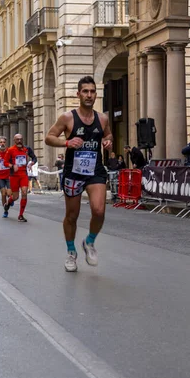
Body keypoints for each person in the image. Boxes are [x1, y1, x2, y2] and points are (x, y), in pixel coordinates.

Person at [45, 75, 113, 272]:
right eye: (85, 91)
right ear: (78, 94)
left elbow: (108, 134)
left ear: (96, 94)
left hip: (95, 171)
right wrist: (67, 142)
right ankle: (71, 252)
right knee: (72, 215)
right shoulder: (67, 118)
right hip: (73, 172)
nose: (89, 95)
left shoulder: (102, 118)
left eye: (92, 91)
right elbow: (49, 137)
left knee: (99, 210)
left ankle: (89, 242)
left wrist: (108, 142)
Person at [3, 133, 37, 222]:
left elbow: (34, 158)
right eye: (17, 139)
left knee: (24, 192)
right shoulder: (10, 150)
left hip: (23, 175)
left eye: (20, 139)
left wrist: (31, 163)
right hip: (14, 176)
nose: (19, 141)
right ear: (14, 140)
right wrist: (12, 165)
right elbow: (5, 162)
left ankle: (21, 215)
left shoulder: (27, 149)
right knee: (15, 197)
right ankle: (7, 203)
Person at [0, 136, 13, 217]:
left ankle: (10, 200)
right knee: (3, 193)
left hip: (9, 175)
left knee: (9, 193)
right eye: (1, 142)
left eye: (4, 142)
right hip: (0, 176)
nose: (2, 144)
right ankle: (5, 210)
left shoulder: (9, 151)